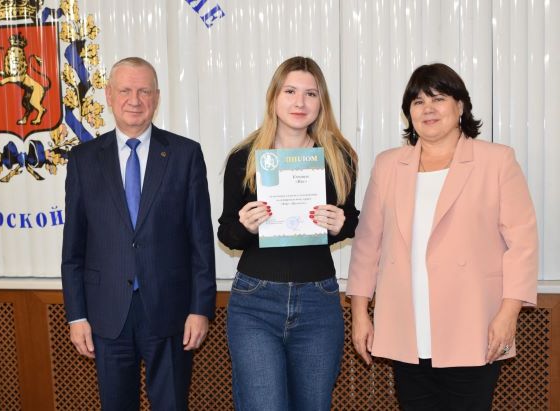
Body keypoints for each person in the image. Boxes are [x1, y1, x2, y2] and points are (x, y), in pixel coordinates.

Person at [347, 63, 538, 410]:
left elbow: (522, 244)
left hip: (474, 325)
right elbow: (367, 243)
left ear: (460, 106)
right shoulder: (388, 165)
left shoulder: (496, 161)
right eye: (418, 102)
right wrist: (360, 312)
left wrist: (508, 313)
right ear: (408, 113)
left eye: (438, 99)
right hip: (406, 326)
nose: (428, 109)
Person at [61, 57, 216, 411]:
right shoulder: (83, 159)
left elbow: (201, 242)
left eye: (144, 91)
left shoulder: (185, 154)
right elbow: (73, 249)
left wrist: (200, 309)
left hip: (171, 312)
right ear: (109, 95)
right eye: (126, 91)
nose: (135, 100)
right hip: (106, 314)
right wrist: (76, 315)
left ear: (156, 97)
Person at [218, 56, 359, 411]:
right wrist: (245, 227)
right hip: (256, 302)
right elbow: (227, 233)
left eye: (311, 94)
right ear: (274, 98)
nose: (300, 102)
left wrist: (340, 224)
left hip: (318, 302)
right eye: (290, 91)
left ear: (321, 102)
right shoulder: (245, 157)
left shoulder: (339, 157)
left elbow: (352, 219)